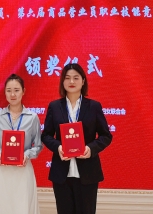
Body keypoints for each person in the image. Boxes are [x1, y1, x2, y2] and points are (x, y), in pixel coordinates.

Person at [41, 62, 112, 214]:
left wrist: (90, 149)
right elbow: (46, 135)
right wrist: (58, 147)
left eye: (76, 77)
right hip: (61, 173)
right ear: (62, 81)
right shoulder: (55, 106)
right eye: (67, 78)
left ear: (83, 81)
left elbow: (106, 135)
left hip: (87, 173)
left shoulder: (94, 106)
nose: (71, 81)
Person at [0, 74, 41, 214]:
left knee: (22, 207)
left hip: (23, 171)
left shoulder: (32, 118)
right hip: (3, 170)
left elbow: (38, 145)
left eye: (16, 90)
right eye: (9, 90)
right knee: (1, 207)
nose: (12, 94)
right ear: (4, 92)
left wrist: (26, 154)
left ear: (23, 91)